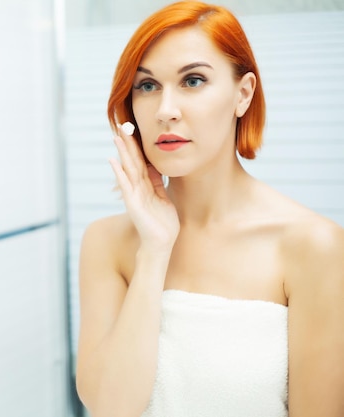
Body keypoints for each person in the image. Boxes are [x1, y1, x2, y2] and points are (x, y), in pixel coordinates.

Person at [74, 1, 344, 417]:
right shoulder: (107, 242)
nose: (166, 110)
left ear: (243, 93)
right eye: (147, 86)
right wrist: (154, 249)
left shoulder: (313, 246)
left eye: (193, 80)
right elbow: (111, 408)